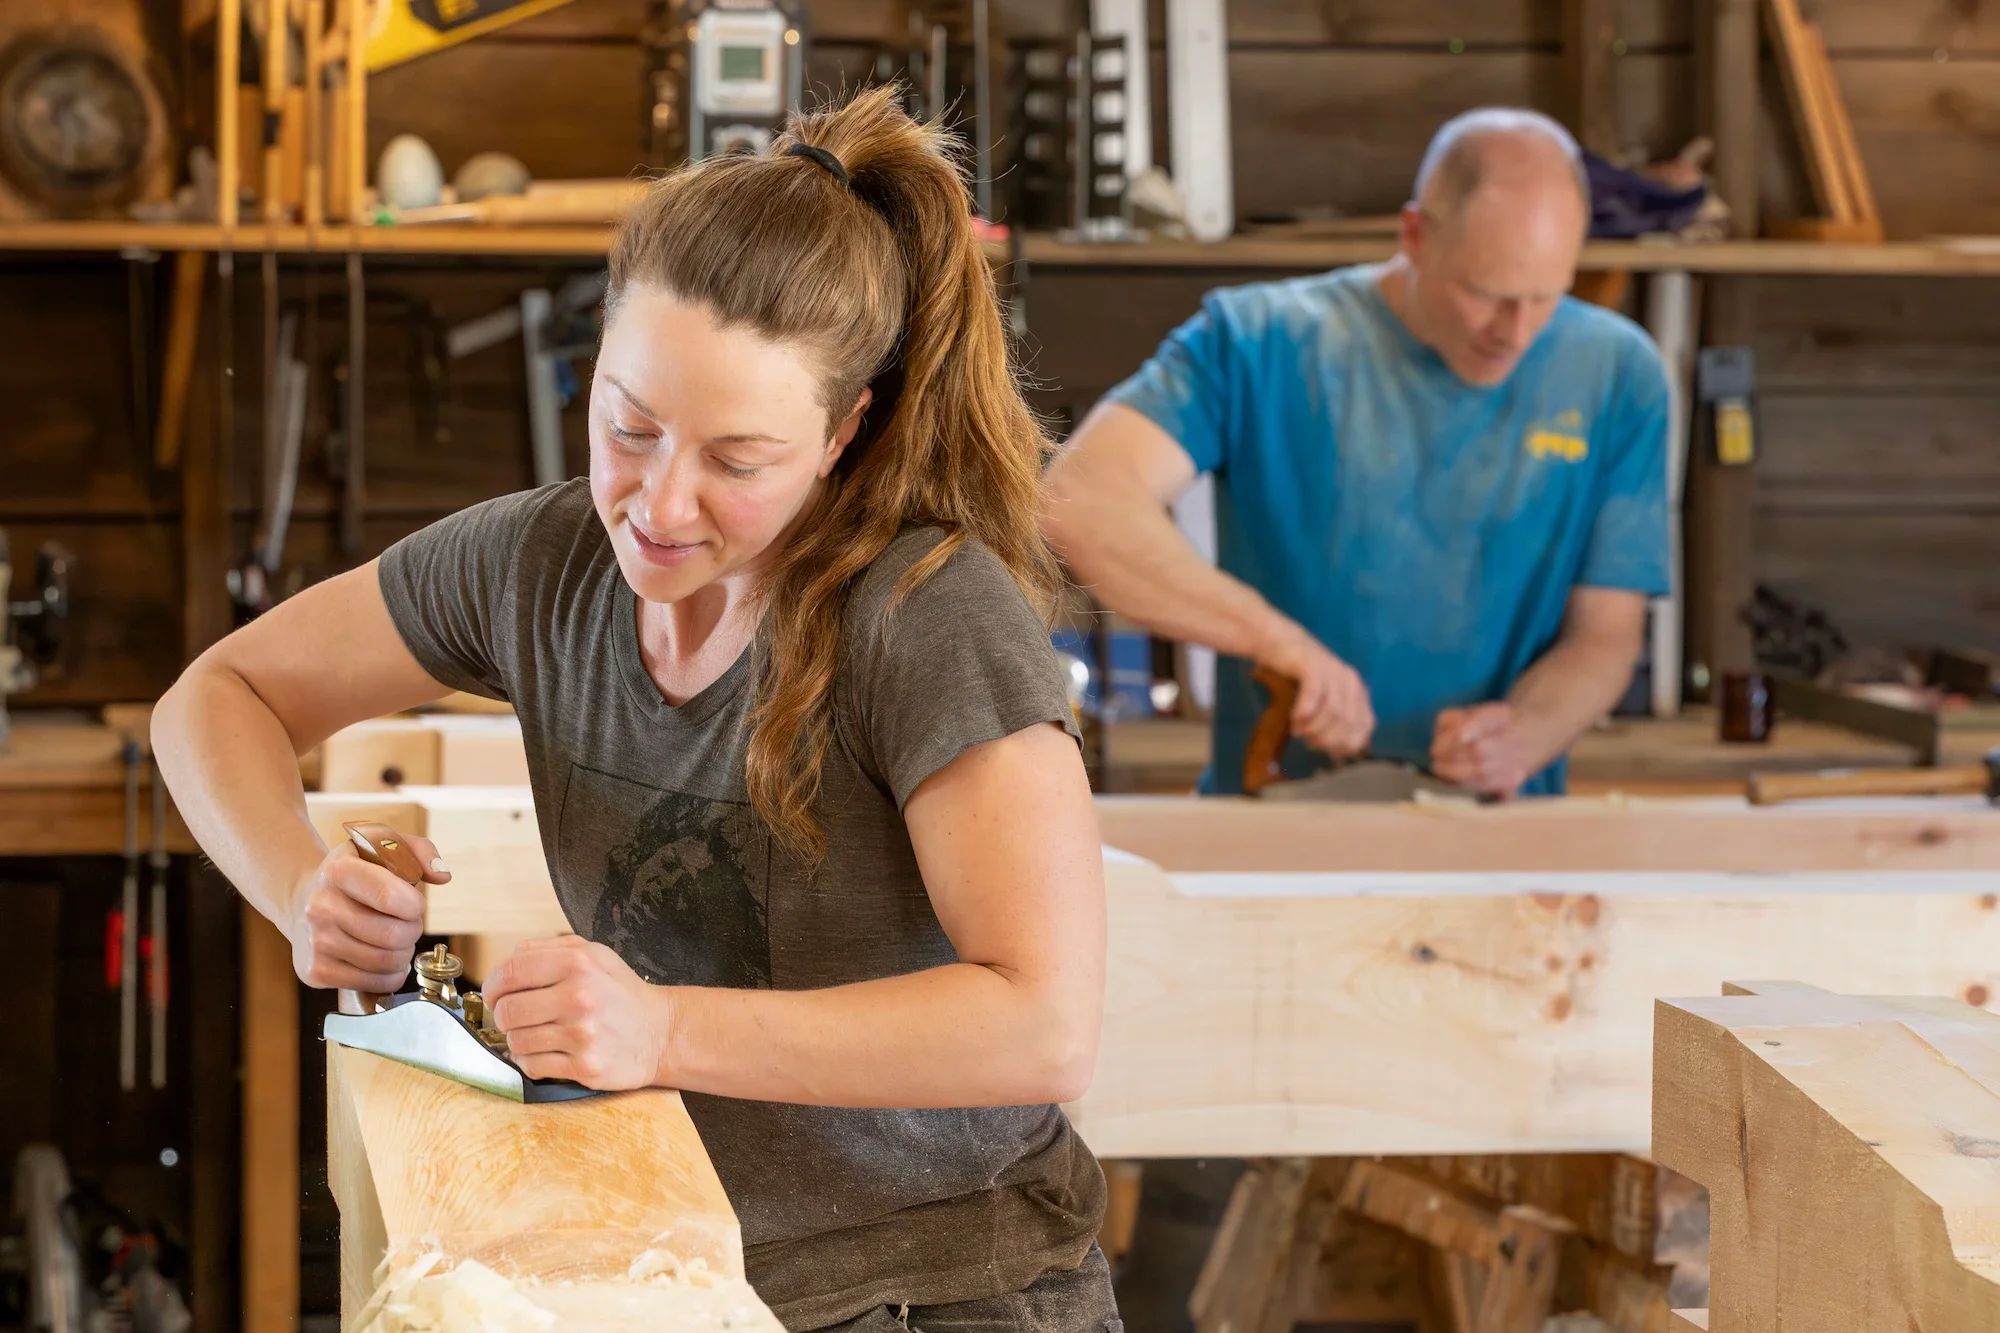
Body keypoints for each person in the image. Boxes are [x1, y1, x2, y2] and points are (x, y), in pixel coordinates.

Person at [153, 87, 1118, 1333]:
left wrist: (661, 1026)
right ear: (597, 359)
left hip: (945, 1285)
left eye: (735, 461)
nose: (659, 504)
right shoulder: (540, 565)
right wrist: (301, 891)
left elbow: (1042, 1026)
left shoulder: (927, 616)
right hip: (673, 1258)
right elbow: (213, 697)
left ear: (842, 434)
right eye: (629, 426)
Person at [1043, 107, 1670, 800]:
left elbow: (1607, 636)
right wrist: (1276, 641)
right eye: (1485, 295)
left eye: (1546, 297)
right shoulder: (1257, 341)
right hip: (1274, 819)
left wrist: (1524, 733)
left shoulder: (1620, 374)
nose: (1515, 333)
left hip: (1497, 832)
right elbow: (1079, 498)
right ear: (1415, 236)